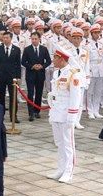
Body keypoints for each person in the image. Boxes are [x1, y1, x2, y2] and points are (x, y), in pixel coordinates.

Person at [46, 48, 82, 184]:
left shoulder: (73, 75)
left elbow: (75, 98)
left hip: (66, 115)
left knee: (68, 144)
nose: (53, 60)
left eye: (55, 57)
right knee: (59, 143)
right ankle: (60, 169)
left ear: (61, 59)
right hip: (56, 113)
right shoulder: (57, 73)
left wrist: (72, 117)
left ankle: (69, 171)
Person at [21, 32, 51, 121]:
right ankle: (30, 113)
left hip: (40, 74)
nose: (34, 40)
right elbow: (23, 62)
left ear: (39, 39)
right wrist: (32, 66)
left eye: (35, 39)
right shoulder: (27, 49)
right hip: (30, 74)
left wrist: (42, 66)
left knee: (39, 93)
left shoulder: (44, 49)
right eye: (32, 39)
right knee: (30, 94)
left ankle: (37, 111)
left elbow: (48, 61)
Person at [0, 31, 22, 114]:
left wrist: (18, 77)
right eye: (4, 38)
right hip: (0, 76)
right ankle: (0, 114)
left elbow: (18, 64)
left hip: (12, 76)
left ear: (11, 38)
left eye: (7, 38)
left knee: (13, 96)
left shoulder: (16, 49)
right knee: (0, 96)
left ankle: (13, 115)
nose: (5, 39)